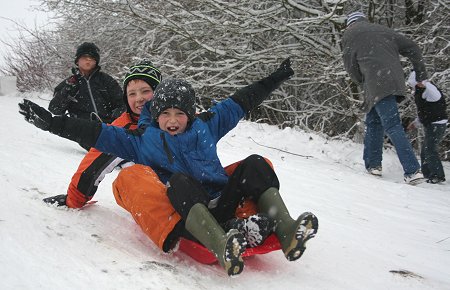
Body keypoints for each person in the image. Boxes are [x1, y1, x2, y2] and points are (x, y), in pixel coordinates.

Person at [19, 58, 319, 276]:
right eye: (165, 114)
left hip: (222, 198)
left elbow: (242, 100)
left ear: (189, 112)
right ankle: (221, 241)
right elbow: (94, 135)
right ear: (153, 112)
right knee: (165, 180)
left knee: (256, 164)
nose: (172, 120)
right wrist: (53, 124)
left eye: (179, 113)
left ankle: (283, 227)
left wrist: (275, 78)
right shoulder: (140, 139)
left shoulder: (207, 123)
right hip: (187, 208)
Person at [42, 60, 163, 208]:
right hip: (96, 127)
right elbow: (93, 163)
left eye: (146, 91)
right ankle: (176, 228)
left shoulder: (104, 80)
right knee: (130, 177)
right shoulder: (72, 82)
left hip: (187, 190)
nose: (139, 98)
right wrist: (74, 199)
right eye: (132, 93)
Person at [342, 11, 427, 184]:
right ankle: (373, 165)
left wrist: (361, 80)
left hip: (376, 82)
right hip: (394, 80)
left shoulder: (350, 33)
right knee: (373, 122)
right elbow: (413, 48)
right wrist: (420, 74)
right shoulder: (384, 30)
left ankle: (413, 170)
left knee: (392, 125)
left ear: (350, 24)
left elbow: (350, 65)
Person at [49, 42, 124, 124]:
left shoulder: (106, 80)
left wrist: (116, 117)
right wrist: (66, 92)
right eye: (85, 57)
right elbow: (54, 109)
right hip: (82, 131)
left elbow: (122, 103)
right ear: (77, 61)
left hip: (107, 129)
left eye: (92, 58)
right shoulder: (70, 82)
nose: (88, 61)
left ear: (96, 61)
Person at [406, 71, 448, 184]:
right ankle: (427, 174)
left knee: (430, 149)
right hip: (431, 124)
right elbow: (425, 111)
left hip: (438, 124)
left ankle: (437, 175)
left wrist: (424, 83)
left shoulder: (431, 90)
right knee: (425, 150)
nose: (414, 87)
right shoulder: (420, 92)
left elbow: (436, 97)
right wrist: (416, 123)